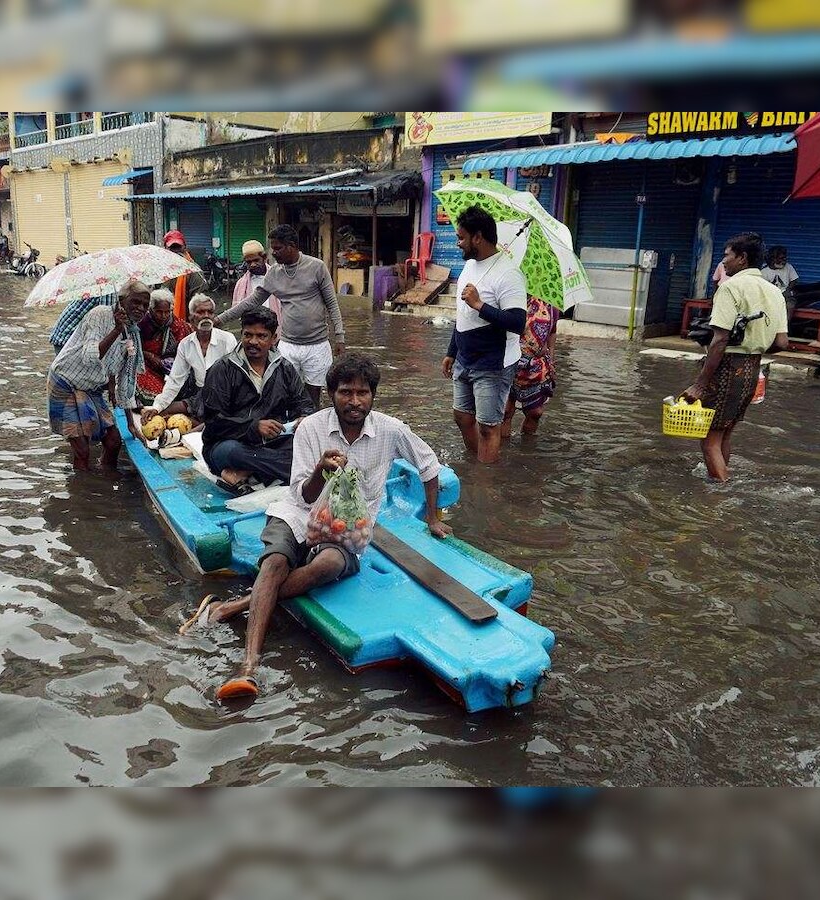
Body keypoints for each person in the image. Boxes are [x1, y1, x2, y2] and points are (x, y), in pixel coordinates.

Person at [188, 353, 453, 700]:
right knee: (276, 562)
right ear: (331, 394)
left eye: (362, 393)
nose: (354, 401)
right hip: (298, 513)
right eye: (345, 392)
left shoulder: (391, 429)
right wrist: (320, 471)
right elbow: (301, 494)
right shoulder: (311, 427)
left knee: (327, 564)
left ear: (373, 395)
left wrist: (433, 518)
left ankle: (232, 607)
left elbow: (429, 466)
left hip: (348, 529)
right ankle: (249, 665)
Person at [683, 232, 789, 482]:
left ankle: (719, 496)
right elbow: (782, 342)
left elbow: (719, 340)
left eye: (726, 256)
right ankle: (719, 479)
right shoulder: (774, 292)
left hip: (727, 368)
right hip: (752, 370)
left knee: (709, 439)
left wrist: (700, 384)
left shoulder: (730, 287)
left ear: (742, 258)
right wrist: (754, 346)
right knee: (724, 433)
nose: (724, 262)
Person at [217, 224, 345, 408]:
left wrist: (339, 337)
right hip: (287, 344)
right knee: (283, 393)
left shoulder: (316, 267)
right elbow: (251, 302)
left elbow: (332, 303)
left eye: (277, 248)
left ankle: (310, 431)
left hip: (317, 345)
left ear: (291, 246)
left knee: (313, 396)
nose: (273, 253)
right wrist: (220, 319)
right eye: (272, 248)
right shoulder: (274, 274)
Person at [441, 206, 527, 464]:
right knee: (461, 416)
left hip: (493, 363)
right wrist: (451, 352)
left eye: (461, 237)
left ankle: (485, 480)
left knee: (489, 426)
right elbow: (462, 316)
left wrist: (480, 305)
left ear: (477, 237)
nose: (457, 243)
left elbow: (518, 323)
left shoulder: (509, 274)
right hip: (465, 358)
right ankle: (475, 464)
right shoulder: (469, 266)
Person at [198, 306, 315, 492]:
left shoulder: (285, 369)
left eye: (261, 336)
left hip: (274, 444)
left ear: (274, 339)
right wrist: (254, 427)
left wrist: (304, 419)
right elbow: (213, 422)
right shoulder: (222, 369)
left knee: (309, 444)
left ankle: (244, 473)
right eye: (248, 335)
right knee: (232, 452)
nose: (253, 342)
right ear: (241, 335)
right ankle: (303, 473)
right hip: (229, 446)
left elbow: (304, 405)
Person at [46, 279, 149, 473]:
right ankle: (82, 493)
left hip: (91, 387)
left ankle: (107, 481)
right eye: (135, 302)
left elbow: (126, 380)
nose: (140, 308)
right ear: (121, 301)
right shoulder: (98, 315)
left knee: (113, 441)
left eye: (145, 305)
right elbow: (91, 357)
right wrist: (117, 329)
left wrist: (130, 423)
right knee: (82, 450)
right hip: (65, 382)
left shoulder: (133, 332)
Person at [139, 293, 237, 421]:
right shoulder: (185, 344)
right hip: (199, 395)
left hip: (225, 396)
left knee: (210, 421)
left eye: (210, 312)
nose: (206, 316)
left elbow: (236, 378)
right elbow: (175, 380)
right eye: (201, 312)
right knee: (160, 412)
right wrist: (157, 407)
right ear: (191, 318)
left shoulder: (228, 339)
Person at [501, 296, 558, 438]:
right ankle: (502, 451)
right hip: (508, 358)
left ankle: (526, 449)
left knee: (536, 412)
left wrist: (550, 357)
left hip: (537, 364)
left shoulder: (551, 303)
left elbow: (552, 331)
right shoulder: (513, 296)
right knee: (506, 411)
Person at [135, 288, 194, 405]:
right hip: (147, 365)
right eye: (159, 312)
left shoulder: (177, 325)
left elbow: (187, 345)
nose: (163, 316)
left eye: (167, 312)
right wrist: (149, 355)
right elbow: (132, 348)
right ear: (151, 310)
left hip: (171, 366)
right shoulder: (141, 324)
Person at [232, 239, 282, 330]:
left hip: (277, 329)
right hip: (253, 330)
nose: (252, 265)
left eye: (256, 260)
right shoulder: (241, 284)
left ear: (264, 257)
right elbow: (238, 311)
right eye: (249, 262)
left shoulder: (278, 277)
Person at [161, 230, 207, 322]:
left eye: (178, 247)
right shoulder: (160, 269)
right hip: (162, 320)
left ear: (185, 247)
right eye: (172, 248)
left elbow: (199, 300)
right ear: (165, 248)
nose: (176, 251)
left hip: (185, 321)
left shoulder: (193, 270)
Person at [50, 294, 116, 355]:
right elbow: (107, 319)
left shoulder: (109, 288)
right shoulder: (108, 293)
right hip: (67, 335)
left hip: (66, 329)